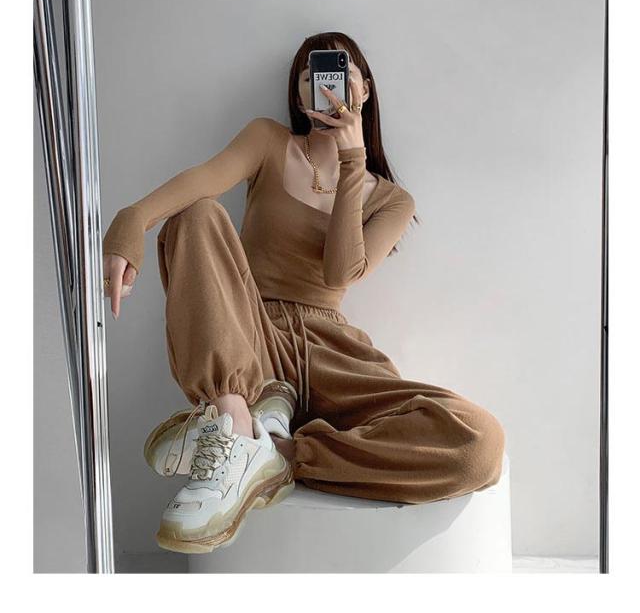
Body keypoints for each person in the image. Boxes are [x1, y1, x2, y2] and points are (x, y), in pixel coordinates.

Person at [102, 31, 506, 554]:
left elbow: (340, 273)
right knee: (196, 215)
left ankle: (277, 454)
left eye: (339, 72)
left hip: (333, 353)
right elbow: (203, 180)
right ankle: (236, 418)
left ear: (364, 90)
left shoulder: (392, 200)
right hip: (250, 333)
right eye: (310, 76)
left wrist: (353, 159)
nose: (324, 84)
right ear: (297, 94)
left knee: (478, 441)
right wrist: (131, 220)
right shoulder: (269, 140)